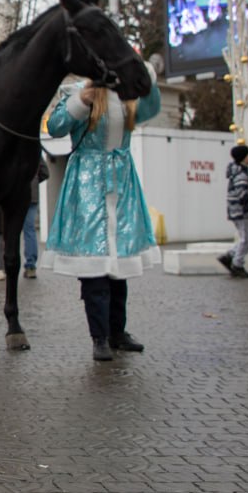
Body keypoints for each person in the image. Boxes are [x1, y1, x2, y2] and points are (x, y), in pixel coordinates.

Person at [42, 66, 161, 361]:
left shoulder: (127, 94)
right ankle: (99, 337)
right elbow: (55, 126)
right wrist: (81, 99)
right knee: (94, 267)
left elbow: (151, 108)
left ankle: (117, 332)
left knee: (119, 267)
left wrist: (147, 77)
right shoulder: (81, 90)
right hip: (88, 186)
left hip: (121, 185)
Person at [216, 144, 248, 278]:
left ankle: (230, 256)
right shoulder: (241, 173)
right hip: (241, 211)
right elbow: (242, 192)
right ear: (244, 157)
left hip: (235, 210)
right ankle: (237, 264)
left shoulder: (237, 171)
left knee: (247, 237)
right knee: (246, 239)